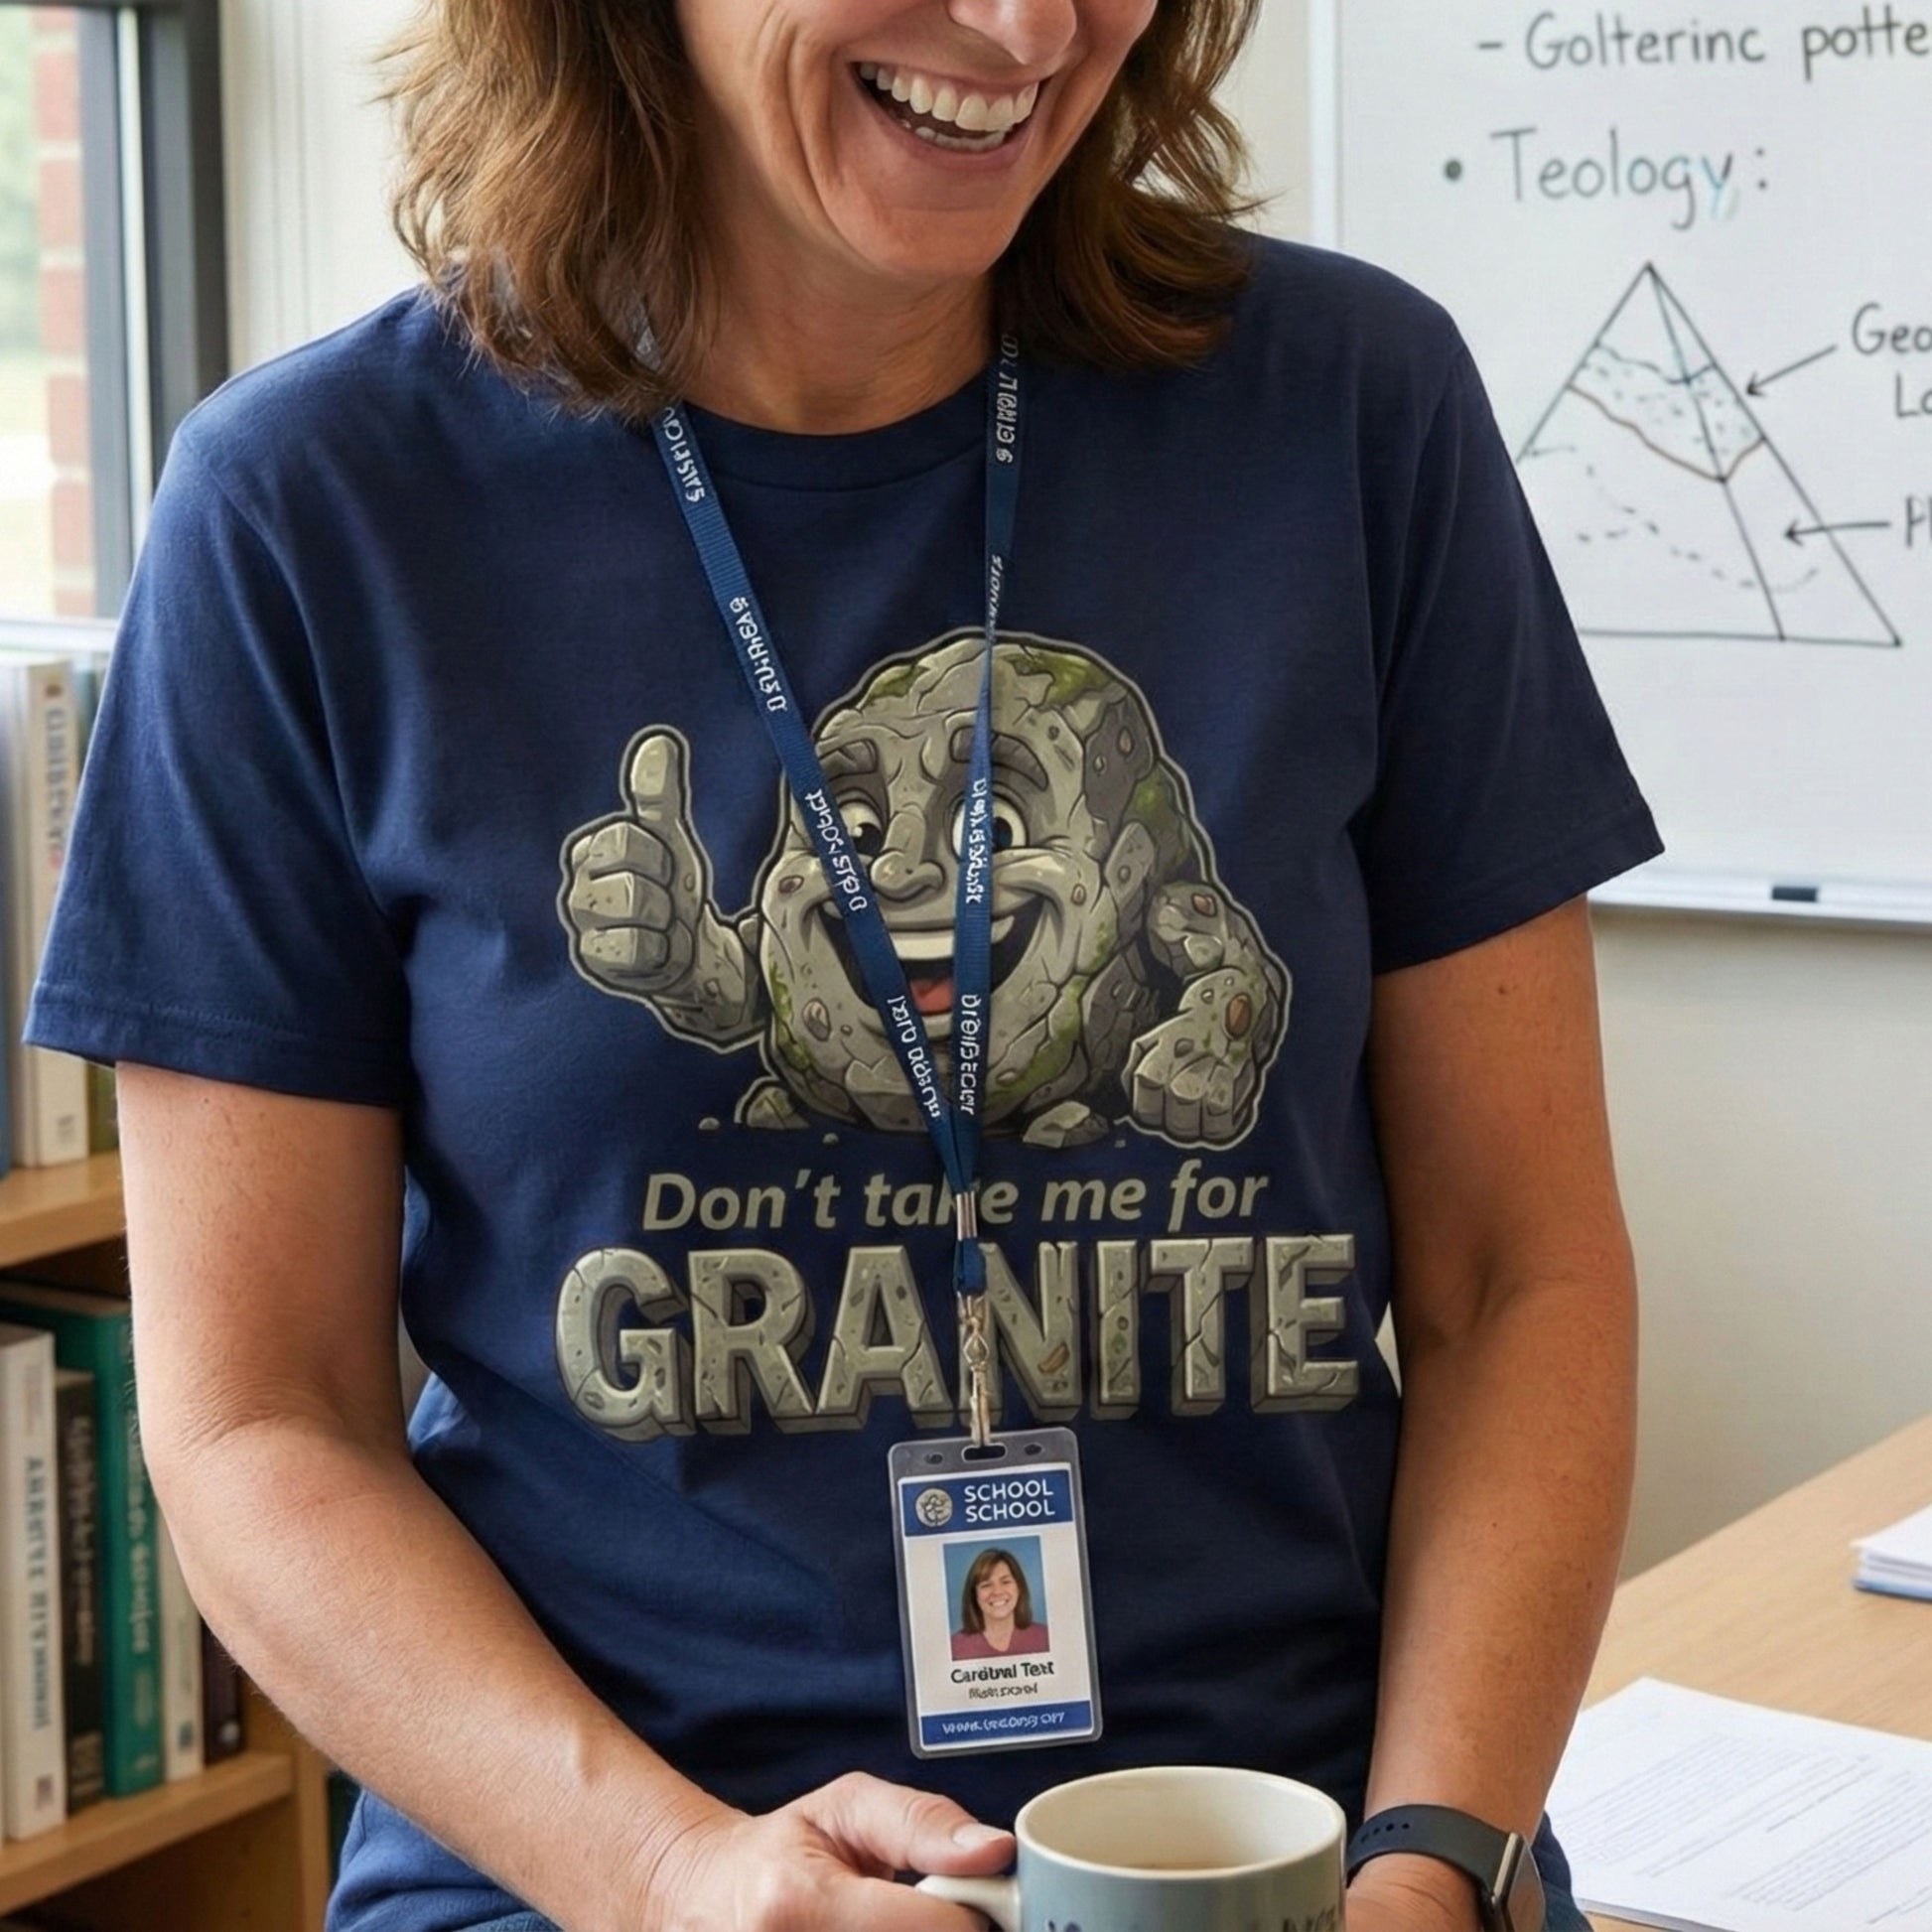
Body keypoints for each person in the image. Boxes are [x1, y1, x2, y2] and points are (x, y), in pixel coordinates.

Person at [26, 1, 1661, 1928]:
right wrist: (664, 1872)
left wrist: (1431, 1861)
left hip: (1298, 1846)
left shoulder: (1354, 414)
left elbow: (1517, 1276)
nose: (1029, 27)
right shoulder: (309, 513)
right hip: (602, 1861)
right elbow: (256, 1418)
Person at [951, 1551, 1050, 1661]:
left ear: (1019, 1588)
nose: (997, 1592)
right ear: (974, 1595)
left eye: (1006, 1582)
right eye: (986, 1585)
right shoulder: (955, 1648)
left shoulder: (1045, 1637)